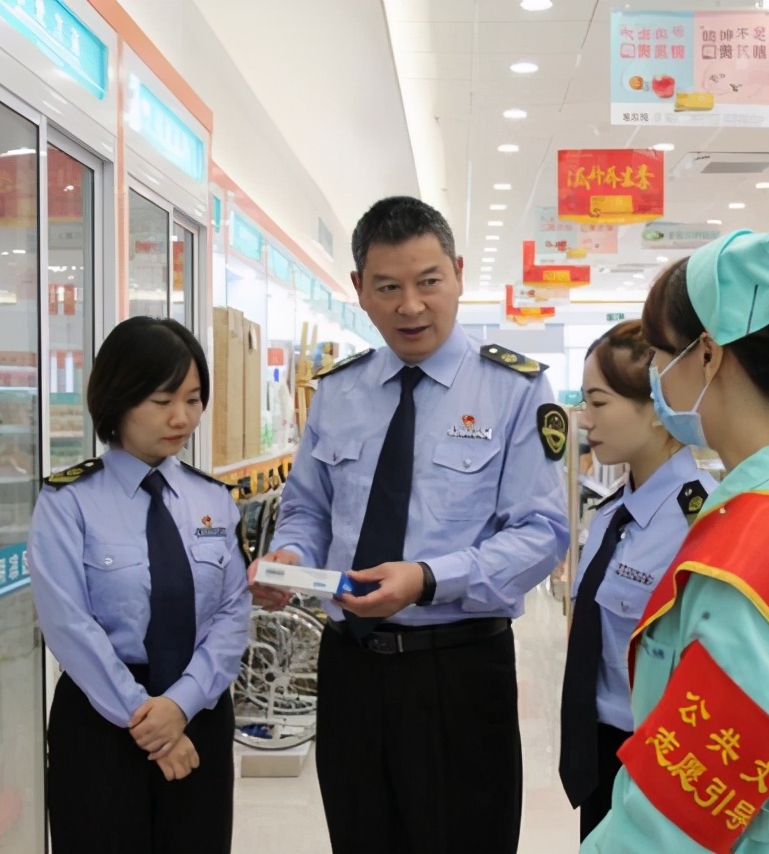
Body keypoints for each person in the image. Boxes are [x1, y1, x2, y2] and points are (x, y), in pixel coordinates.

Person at [251, 195, 569, 854]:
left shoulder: (513, 390)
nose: (411, 306)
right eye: (388, 287)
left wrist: (428, 579)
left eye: (428, 282)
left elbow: (542, 532)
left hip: (458, 668)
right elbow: (309, 505)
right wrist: (287, 556)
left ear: (456, 273)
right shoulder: (338, 392)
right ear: (359, 291)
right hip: (350, 668)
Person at [583, 230, 769, 854]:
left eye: (660, 354)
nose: (655, 375)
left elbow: (677, 822)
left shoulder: (746, 560)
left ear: (709, 356)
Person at [28, 317, 252, 854]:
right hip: (102, 720)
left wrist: (180, 707)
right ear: (119, 398)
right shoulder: (68, 502)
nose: (182, 417)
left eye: (194, 399)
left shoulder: (214, 501)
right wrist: (146, 719)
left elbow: (232, 613)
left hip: (198, 711)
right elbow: (68, 624)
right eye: (161, 400)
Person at [560, 319, 716, 840]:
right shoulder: (611, 514)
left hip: (660, 763)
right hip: (602, 755)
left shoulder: (704, 523)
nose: (584, 420)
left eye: (599, 403)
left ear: (656, 406)